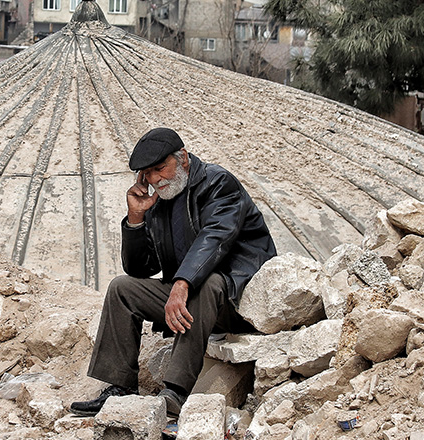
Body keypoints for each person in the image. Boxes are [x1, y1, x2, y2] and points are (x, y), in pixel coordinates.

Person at [69, 127, 277, 417]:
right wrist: (136, 218)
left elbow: (214, 240)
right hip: (195, 301)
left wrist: (181, 284)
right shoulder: (160, 202)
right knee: (122, 288)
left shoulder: (219, 184)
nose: (155, 179)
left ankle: (175, 393)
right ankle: (121, 387)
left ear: (183, 158)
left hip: (238, 300)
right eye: (147, 173)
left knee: (207, 281)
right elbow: (141, 268)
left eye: (160, 168)